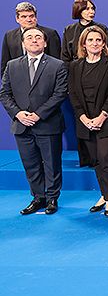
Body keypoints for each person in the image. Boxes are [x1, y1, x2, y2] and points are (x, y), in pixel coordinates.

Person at [0, 27, 67, 215]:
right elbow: (4, 94)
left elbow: (60, 93)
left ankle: (52, 198)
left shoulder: (57, 65)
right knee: (31, 164)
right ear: (23, 43)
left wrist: (39, 114)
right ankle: (38, 197)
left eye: (38, 37)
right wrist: (18, 114)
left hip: (48, 123)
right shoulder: (12, 65)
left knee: (52, 163)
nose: (34, 40)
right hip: (21, 125)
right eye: (29, 37)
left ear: (45, 42)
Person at [69, 26, 108, 217]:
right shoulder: (75, 66)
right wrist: (84, 118)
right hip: (85, 121)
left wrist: (102, 116)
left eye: (98, 40)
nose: (94, 43)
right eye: (90, 40)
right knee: (95, 161)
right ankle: (104, 194)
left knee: (107, 158)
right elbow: (74, 95)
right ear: (83, 44)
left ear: (103, 44)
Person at [61, 0, 108, 168]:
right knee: (80, 117)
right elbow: (65, 58)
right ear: (78, 11)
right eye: (87, 8)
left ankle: (99, 159)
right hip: (77, 77)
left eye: (93, 8)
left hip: (99, 76)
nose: (91, 11)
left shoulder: (101, 28)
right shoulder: (69, 30)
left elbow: (107, 54)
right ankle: (86, 158)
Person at [2, 2, 61, 75]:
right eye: (24, 17)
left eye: (31, 16)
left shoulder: (50, 34)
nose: (28, 20)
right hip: (18, 81)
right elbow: (5, 65)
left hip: (45, 80)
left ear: (36, 17)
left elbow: (56, 62)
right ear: (17, 19)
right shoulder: (9, 36)